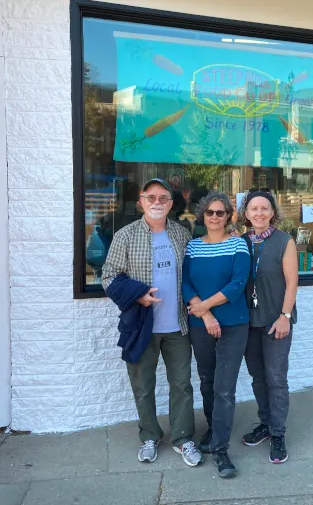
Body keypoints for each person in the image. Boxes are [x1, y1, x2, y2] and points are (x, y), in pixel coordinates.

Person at [102, 178, 203, 467]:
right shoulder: (125, 235)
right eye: (151, 197)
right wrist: (138, 295)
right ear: (141, 201)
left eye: (163, 198)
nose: (157, 202)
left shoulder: (182, 234)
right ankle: (149, 435)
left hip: (178, 326)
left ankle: (183, 439)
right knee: (143, 386)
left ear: (171, 203)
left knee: (181, 385)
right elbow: (108, 276)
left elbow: (192, 274)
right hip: (142, 325)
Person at [182, 192, 250, 478]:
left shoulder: (239, 245)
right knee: (207, 381)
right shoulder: (193, 247)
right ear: (202, 215)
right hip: (201, 325)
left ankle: (221, 450)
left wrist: (206, 306)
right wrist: (206, 315)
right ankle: (212, 430)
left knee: (225, 387)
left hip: (234, 325)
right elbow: (185, 283)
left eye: (220, 213)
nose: (214, 217)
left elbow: (238, 284)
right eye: (209, 212)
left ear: (228, 216)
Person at [238, 189, 298, 464]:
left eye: (264, 208)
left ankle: (278, 433)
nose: (259, 213)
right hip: (249, 322)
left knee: (276, 379)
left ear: (273, 212)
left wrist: (285, 315)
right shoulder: (239, 243)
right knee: (258, 377)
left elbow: (292, 282)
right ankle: (265, 423)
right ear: (246, 214)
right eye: (253, 209)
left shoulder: (285, 241)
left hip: (276, 321)